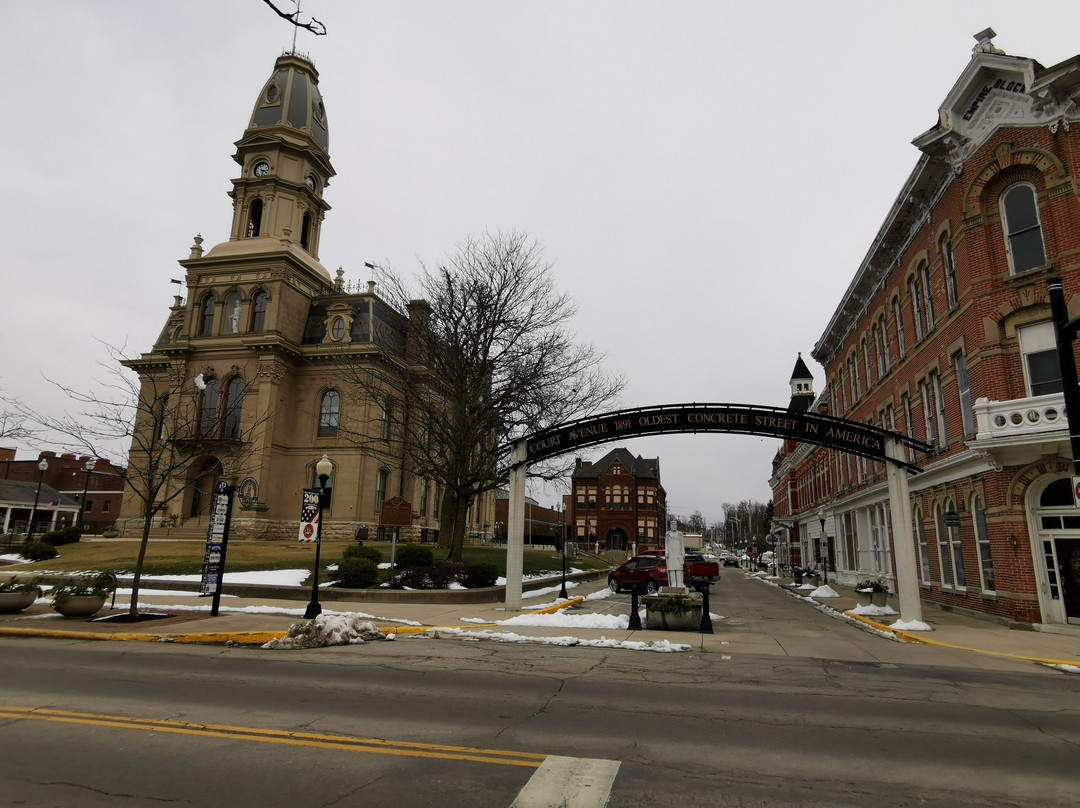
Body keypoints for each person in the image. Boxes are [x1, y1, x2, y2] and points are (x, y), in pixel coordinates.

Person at [664, 518, 685, 589]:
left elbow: (682, 544)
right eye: (672, 524)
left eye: (674, 524)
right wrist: (666, 552)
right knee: (672, 569)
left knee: (679, 569)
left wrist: (683, 553)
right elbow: (666, 544)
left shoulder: (680, 534)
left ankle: (679, 583)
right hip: (671, 554)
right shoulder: (667, 534)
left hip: (678, 554)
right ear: (670, 525)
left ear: (676, 525)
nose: (673, 526)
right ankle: (673, 584)